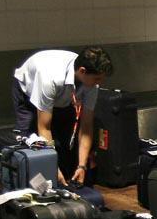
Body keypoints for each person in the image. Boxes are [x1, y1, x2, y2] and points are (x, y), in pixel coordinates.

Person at [12, 47, 113, 186]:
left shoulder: (91, 84)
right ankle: (30, 188)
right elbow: (44, 127)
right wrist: (52, 166)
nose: (99, 83)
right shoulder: (50, 78)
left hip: (63, 94)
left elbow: (86, 126)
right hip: (28, 90)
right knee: (30, 140)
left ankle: (64, 184)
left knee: (64, 143)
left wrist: (82, 166)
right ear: (82, 71)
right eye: (97, 79)